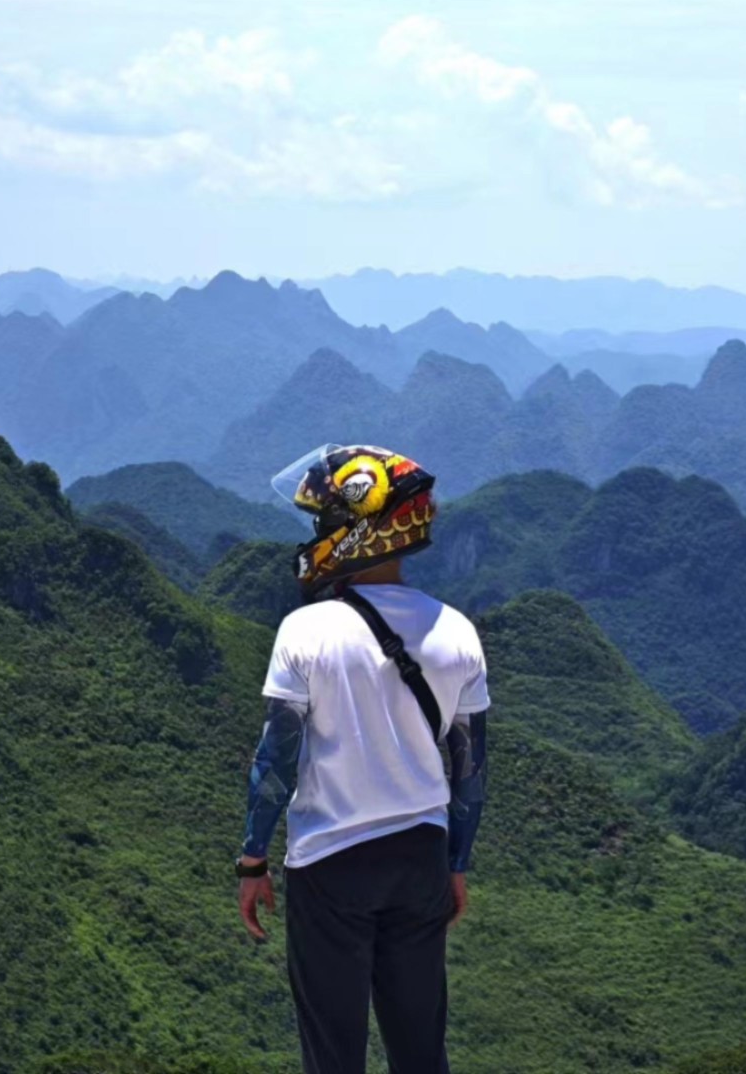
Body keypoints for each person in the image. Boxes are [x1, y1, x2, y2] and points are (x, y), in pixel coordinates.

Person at [236, 443, 489, 1074]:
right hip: (421, 857)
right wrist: (456, 865)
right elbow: (469, 773)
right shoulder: (457, 631)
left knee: (333, 1053)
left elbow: (276, 762)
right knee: (421, 1049)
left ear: (359, 530)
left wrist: (252, 860)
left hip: (331, 863)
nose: (319, 535)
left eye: (325, 523)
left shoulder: (306, 630)